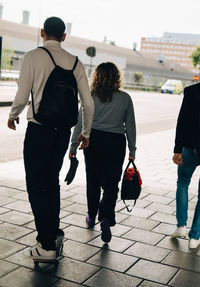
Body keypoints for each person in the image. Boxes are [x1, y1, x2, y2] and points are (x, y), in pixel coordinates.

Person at [7, 16, 94, 261]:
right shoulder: (76, 62)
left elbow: (23, 94)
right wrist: (85, 133)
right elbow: (87, 102)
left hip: (39, 130)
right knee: (51, 182)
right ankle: (52, 233)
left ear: (43, 32)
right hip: (62, 132)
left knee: (36, 185)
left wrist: (13, 115)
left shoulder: (33, 57)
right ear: (64, 36)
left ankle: (46, 246)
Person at [69, 62, 136, 243]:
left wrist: (73, 146)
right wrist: (132, 149)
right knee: (112, 182)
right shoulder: (125, 98)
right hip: (116, 142)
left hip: (94, 141)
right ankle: (106, 216)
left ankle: (91, 216)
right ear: (117, 77)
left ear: (96, 77)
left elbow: (80, 122)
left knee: (93, 179)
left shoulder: (91, 97)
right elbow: (130, 126)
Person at [172, 82, 200, 249]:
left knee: (183, 183)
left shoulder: (192, 91)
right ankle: (195, 236)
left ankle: (181, 227)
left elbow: (181, 121)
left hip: (189, 148)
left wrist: (177, 149)